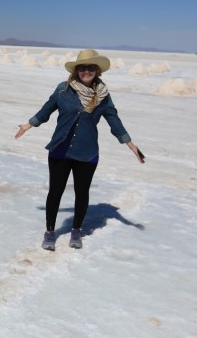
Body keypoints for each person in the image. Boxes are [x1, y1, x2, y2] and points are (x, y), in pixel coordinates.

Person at [15, 49, 144, 251]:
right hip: (60, 151)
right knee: (55, 192)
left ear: (97, 71)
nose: (86, 71)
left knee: (81, 193)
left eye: (90, 67)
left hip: (87, 152)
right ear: (76, 70)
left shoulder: (103, 95)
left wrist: (131, 144)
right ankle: (50, 232)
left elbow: (114, 120)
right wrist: (27, 125)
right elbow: (46, 110)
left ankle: (76, 230)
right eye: (82, 67)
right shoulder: (63, 90)